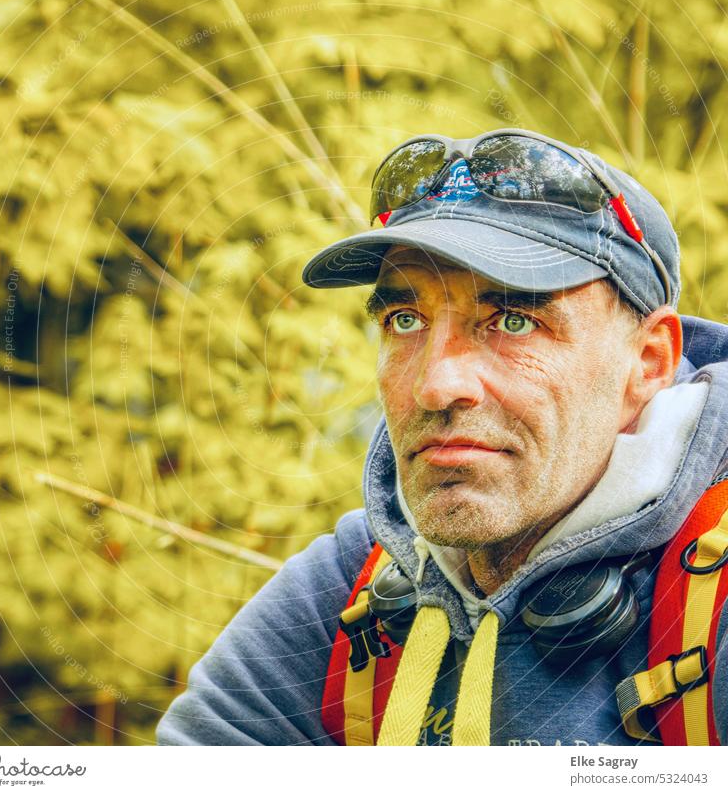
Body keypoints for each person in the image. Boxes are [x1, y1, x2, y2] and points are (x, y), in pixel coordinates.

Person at [156, 128, 728, 746]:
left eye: (515, 320)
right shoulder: (363, 581)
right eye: (405, 320)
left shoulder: (709, 600)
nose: (436, 384)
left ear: (647, 363)